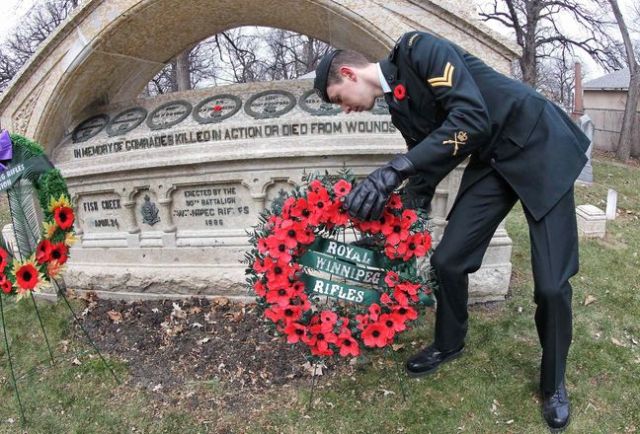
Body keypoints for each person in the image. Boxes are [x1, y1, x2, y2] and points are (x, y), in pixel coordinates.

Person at [313, 30, 589, 431]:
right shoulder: (399, 108)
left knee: (551, 283)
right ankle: (449, 341)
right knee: (448, 259)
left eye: (338, 99)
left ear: (348, 73)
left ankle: (554, 383)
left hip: (536, 142)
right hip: (494, 159)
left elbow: (471, 119)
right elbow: (426, 170)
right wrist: (398, 222)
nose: (345, 109)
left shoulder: (418, 49)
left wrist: (393, 169)